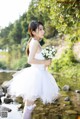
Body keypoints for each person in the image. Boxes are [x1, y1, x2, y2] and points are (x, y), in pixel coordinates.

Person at [8, 20, 59, 119]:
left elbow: (37, 59)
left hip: (39, 74)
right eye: (40, 29)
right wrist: (45, 62)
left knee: (29, 105)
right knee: (28, 106)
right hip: (35, 76)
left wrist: (46, 62)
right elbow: (30, 60)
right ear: (33, 32)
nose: (43, 31)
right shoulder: (35, 42)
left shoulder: (36, 42)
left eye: (43, 29)